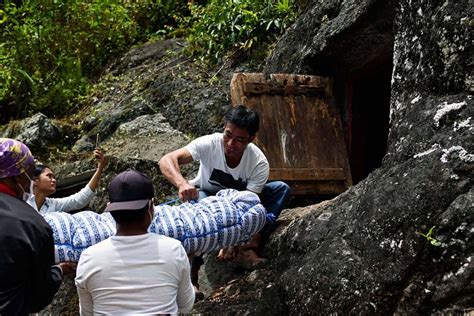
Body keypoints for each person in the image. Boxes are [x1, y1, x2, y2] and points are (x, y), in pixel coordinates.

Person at [158, 104, 290, 294]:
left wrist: (233, 239)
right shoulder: (209, 143)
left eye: (239, 140)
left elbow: (250, 206)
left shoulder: (258, 162)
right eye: (228, 135)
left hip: (239, 204)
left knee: (280, 190)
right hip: (207, 197)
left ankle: (247, 246)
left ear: (251, 139)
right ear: (224, 128)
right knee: (195, 212)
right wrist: (182, 184)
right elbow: (167, 160)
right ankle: (191, 276)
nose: (230, 144)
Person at [75, 170, 195, 314]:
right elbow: (185, 306)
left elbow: (87, 313)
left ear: (110, 209)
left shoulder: (89, 257)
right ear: (151, 207)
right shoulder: (173, 249)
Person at [0, 138, 75, 315]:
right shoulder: (32, 223)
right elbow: (38, 292)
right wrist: (58, 271)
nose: (30, 182)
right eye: (30, 174)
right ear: (18, 176)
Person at [27, 149, 107, 214]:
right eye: (49, 176)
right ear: (35, 181)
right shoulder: (23, 202)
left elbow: (79, 200)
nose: (54, 180)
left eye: (54, 177)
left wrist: (99, 169)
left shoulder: (53, 205)